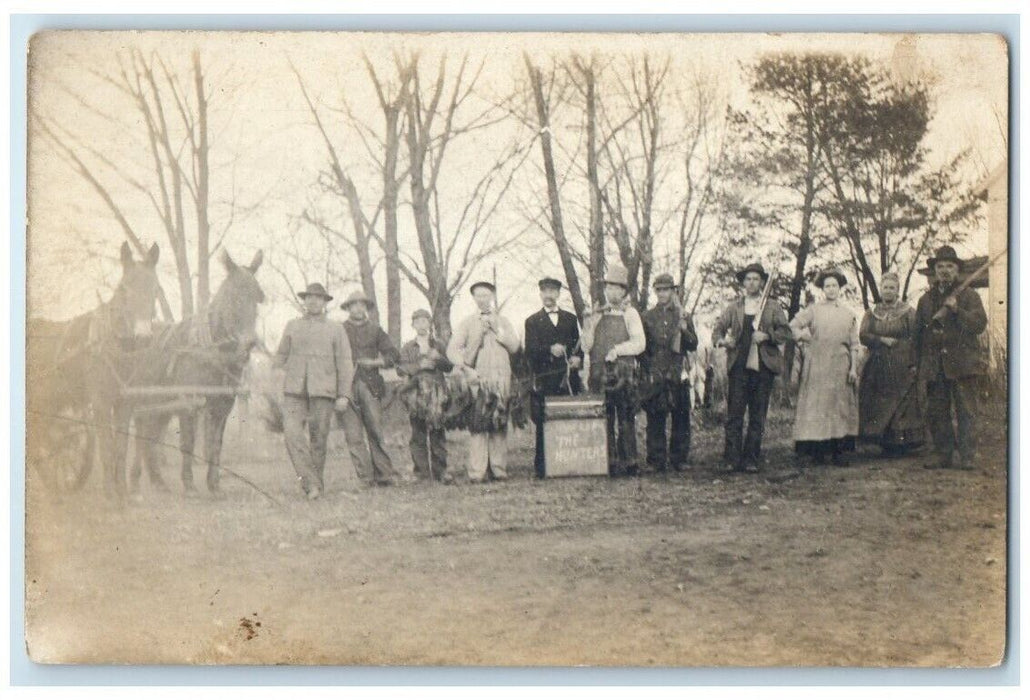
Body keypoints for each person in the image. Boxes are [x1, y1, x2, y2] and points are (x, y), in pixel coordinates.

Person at [274, 282, 353, 500]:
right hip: (294, 391)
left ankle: (314, 487)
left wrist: (344, 394)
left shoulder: (336, 329)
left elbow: (345, 364)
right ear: (304, 300)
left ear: (325, 302)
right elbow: (280, 356)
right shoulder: (292, 326)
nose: (313, 301)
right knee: (292, 435)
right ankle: (311, 484)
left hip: (323, 391)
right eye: (309, 297)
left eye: (318, 298)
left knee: (319, 439)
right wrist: (276, 373)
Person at [913, 245, 988, 471]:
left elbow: (979, 325)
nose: (945, 270)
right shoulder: (925, 300)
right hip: (935, 364)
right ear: (934, 271)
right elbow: (918, 335)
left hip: (963, 364)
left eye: (950, 266)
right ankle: (942, 455)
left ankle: (968, 456)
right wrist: (914, 363)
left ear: (957, 270)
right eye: (940, 266)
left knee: (967, 411)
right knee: (938, 412)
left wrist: (956, 311)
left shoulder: (969, 295)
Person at [712, 263, 791, 473]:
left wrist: (767, 336)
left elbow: (786, 332)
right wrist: (723, 341)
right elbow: (718, 329)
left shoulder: (772, 306)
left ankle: (751, 459)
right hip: (739, 367)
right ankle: (731, 458)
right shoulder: (734, 306)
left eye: (756, 279)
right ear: (743, 282)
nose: (752, 283)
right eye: (748, 279)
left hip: (763, 367)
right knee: (734, 414)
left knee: (758, 415)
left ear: (762, 282)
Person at [447, 280, 520, 483]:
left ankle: (498, 469)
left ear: (492, 297)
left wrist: (498, 331)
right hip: (478, 381)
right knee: (478, 425)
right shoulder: (468, 322)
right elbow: (452, 350)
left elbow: (515, 347)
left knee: (498, 423)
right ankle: (477, 472)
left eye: (486, 295)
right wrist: (465, 368)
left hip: (501, 380)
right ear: (474, 298)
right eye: (478, 295)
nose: (482, 299)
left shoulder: (503, 321)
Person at [790, 269, 861, 466]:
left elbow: (854, 344)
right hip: (818, 366)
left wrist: (853, 368)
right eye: (827, 286)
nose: (831, 289)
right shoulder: (813, 310)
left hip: (840, 365)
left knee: (839, 408)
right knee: (818, 407)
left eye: (834, 286)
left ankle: (839, 452)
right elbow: (793, 326)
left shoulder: (848, 314)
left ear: (840, 288)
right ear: (822, 289)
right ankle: (817, 453)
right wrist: (802, 336)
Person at [582, 264, 646, 477]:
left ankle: (629, 461)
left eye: (616, 288)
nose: (611, 292)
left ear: (624, 291)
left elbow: (640, 344)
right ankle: (608, 461)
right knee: (604, 417)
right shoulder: (597, 313)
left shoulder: (631, 314)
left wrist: (617, 350)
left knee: (626, 417)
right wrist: (588, 325)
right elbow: (586, 347)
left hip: (622, 373)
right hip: (599, 373)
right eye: (608, 288)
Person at [524, 276, 584, 478]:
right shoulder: (531, 321)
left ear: (558, 294)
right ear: (540, 294)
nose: (549, 295)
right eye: (545, 291)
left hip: (568, 379)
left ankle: (570, 463)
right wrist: (549, 349)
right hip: (546, 378)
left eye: (553, 291)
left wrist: (578, 358)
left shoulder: (570, 319)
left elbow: (579, 346)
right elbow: (530, 351)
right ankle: (543, 467)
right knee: (544, 421)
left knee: (569, 419)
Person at [859, 271, 925, 454]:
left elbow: (916, 337)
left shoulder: (908, 312)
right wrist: (880, 340)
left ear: (897, 290)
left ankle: (901, 444)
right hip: (877, 364)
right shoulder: (871, 313)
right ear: (880, 290)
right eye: (885, 287)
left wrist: (913, 362)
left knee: (901, 400)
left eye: (892, 288)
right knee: (877, 400)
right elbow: (863, 335)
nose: (888, 291)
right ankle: (875, 440)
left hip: (901, 363)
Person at [340, 291, 401, 486]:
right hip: (345, 387)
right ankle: (365, 478)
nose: (358, 308)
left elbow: (393, 355)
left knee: (375, 430)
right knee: (353, 435)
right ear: (348, 308)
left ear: (366, 308)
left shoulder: (376, 330)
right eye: (354, 305)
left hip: (371, 386)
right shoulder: (339, 330)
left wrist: (375, 363)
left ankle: (384, 475)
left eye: (362, 305)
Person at [640, 273, 698, 472]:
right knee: (655, 417)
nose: (663, 293)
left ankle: (679, 458)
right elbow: (641, 348)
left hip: (677, 370)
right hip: (656, 371)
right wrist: (650, 368)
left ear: (673, 291)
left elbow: (692, 345)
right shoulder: (647, 316)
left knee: (680, 416)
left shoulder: (683, 315)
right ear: (655, 292)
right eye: (659, 290)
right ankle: (656, 460)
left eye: (667, 289)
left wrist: (685, 330)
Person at [397, 308, 453, 482]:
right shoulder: (407, 347)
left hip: (436, 393)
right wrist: (419, 366)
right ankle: (421, 472)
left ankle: (441, 471)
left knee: (437, 431)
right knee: (418, 433)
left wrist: (438, 358)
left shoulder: (439, 344)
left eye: (425, 321)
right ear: (413, 325)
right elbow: (400, 368)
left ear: (429, 324)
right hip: (415, 394)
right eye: (418, 321)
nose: (422, 325)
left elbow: (449, 366)